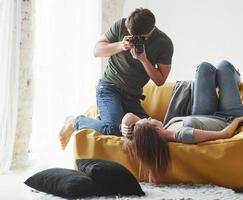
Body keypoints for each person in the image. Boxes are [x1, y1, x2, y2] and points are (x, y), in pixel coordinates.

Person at [59, 8, 173, 150]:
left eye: (139, 37)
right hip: (108, 88)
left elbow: (160, 80)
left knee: (149, 132)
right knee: (114, 128)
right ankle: (74, 121)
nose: (134, 38)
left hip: (132, 96)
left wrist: (144, 60)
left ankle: (105, 118)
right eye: (131, 34)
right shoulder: (121, 25)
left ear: (150, 30)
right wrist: (120, 45)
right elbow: (97, 51)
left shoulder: (164, 43)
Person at [122, 60, 243, 183]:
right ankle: (232, 80)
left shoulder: (164, 128)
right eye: (148, 120)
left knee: (204, 67)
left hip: (202, 114)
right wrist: (237, 120)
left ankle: (224, 81)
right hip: (227, 117)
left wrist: (124, 125)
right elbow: (224, 134)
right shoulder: (182, 134)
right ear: (155, 129)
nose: (150, 117)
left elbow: (130, 117)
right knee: (224, 66)